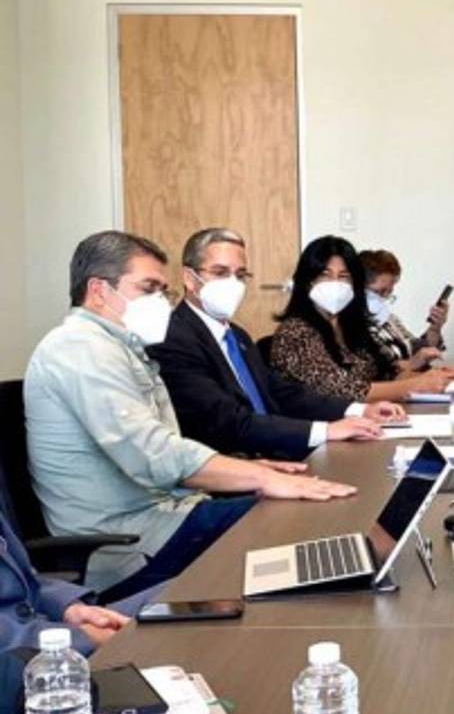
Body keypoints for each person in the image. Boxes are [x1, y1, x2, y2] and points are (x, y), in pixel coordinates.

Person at [24, 231, 356, 598]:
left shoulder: (121, 348)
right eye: (148, 288)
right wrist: (259, 477)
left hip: (168, 512)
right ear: (99, 290)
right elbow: (152, 453)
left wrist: (251, 470)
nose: (160, 302)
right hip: (126, 541)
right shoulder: (80, 348)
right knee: (292, 518)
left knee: (300, 516)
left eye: (162, 291)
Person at [150, 228, 407, 461]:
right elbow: (227, 422)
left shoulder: (237, 335)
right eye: (220, 273)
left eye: (240, 275)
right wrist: (325, 431)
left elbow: (282, 392)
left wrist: (359, 410)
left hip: (276, 451)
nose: (233, 284)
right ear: (190, 278)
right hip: (235, 466)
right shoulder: (173, 338)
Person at [0, 467, 147, 714]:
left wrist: (69, 608)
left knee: (174, 598)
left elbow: (25, 577)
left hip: (50, 627)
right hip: (26, 671)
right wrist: (82, 638)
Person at [270, 236, 454, 402]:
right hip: (328, 426)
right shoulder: (295, 332)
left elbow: (386, 373)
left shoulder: (350, 326)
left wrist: (436, 377)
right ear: (307, 281)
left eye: (343, 276)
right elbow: (342, 390)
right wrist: (416, 385)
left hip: (369, 418)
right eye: (325, 275)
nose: (335, 283)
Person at [360, 249, 452, 375]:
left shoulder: (390, 321)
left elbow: (417, 349)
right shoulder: (348, 329)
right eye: (380, 292)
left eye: (389, 293)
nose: (384, 299)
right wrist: (411, 364)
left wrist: (435, 328)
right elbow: (368, 373)